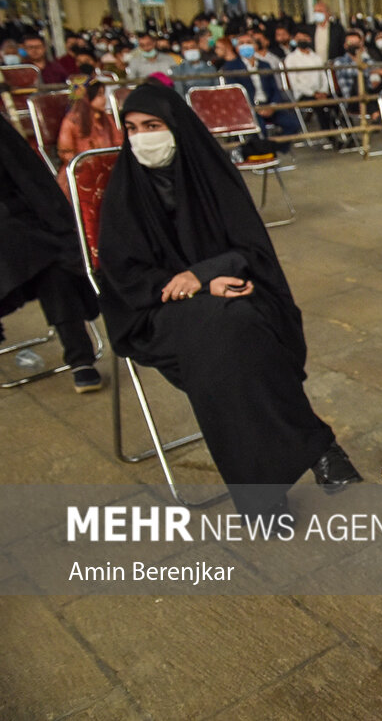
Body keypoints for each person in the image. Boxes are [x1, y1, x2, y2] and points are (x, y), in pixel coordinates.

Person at [95, 82, 362, 516]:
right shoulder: (125, 190)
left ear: (176, 127)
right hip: (153, 311)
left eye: (152, 125)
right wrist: (201, 283)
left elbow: (253, 252)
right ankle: (319, 445)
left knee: (233, 332)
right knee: (225, 331)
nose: (141, 137)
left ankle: (261, 496)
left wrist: (205, 274)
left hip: (232, 295)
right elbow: (124, 273)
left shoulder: (210, 175)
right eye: (132, 128)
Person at [0, 114, 102, 393]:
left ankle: (80, 357)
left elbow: (28, 177)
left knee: (50, 260)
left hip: (16, 222)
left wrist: (60, 224)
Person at [54, 80, 123, 197]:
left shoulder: (107, 118)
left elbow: (119, 142)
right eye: (100, 95)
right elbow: (66, 152)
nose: (104, 99)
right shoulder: (71, 121)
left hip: (108, 169)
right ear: (87, 97)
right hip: (81, 172)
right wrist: (87, 166)